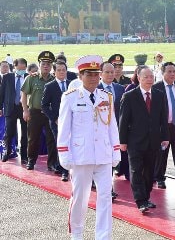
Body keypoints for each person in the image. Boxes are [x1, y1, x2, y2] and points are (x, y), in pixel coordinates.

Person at [57, 55, 121, 240]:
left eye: (96, 74)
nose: (94, 78)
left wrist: (115, 150)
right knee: (80, 197)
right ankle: (76, 234)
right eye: (89, 74)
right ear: (80, 75)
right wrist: (64, 153)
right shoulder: (70, 97)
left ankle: (103, 236)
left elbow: (112, 126)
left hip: (103, 154)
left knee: (105, 198)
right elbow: (64, 127)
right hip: (80, 155)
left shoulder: (106, 97)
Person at [119, 66, 169, 213]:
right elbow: (123, 120)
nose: (149, 79)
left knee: (149, 171)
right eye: (146, 77)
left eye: (151, 76)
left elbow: (163, 118)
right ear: (139, 78)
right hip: (135, 141)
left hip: (153, 141)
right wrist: (122, 141)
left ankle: (146, 197)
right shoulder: (129, 96)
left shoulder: (159, 95)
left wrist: (165, 137)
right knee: (136, 170)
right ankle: (140, 200)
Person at [152, 62, 175, 190]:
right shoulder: (157, 87)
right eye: (169, 71)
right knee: (162, 155)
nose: (172, 74)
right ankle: (159, 178)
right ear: (163, 73)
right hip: (163, 127)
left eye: (174, 71)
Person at [21, 51, 57, 171]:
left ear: (51, 65)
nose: (46, 66)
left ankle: (52, 163)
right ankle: (31, 161)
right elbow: (24, 94)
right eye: (43, 63)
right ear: (39, 64)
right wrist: (25, 110)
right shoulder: (32, 78)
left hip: (49, 114)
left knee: (51, 139)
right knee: (33, 138)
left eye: (48, 63)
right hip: (34, 112)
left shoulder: (54, 79)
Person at [41, 61, 71, 181]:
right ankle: (64, 170)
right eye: (59, 70)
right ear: (54, 72)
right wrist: (54, 118)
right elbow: (44, 105)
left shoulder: (72, 84)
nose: (62, 72)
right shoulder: (50, 86)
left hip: (72, 121)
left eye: (63, 70)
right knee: (62, 144)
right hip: (57, 122)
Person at [98, 62, 127, 183]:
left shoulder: (120, 88)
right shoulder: (96, 89)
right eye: (107, 72)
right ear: (100, 74)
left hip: (118, 128)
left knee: (116, 154)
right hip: (101, 129)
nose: (110, 74)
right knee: (104, 157)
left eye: (112, 72)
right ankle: (106, 184)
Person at [0, 58, 28, 163]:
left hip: (24, 108)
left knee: (25, 133)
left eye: (24, 68)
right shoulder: (7, 77)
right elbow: (2, 93)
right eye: (20, 69)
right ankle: (7, 152)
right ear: (15, 67)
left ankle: (24, 156)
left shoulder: (28, 77)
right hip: (10, 108)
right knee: (9, 132)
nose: (22, 71)